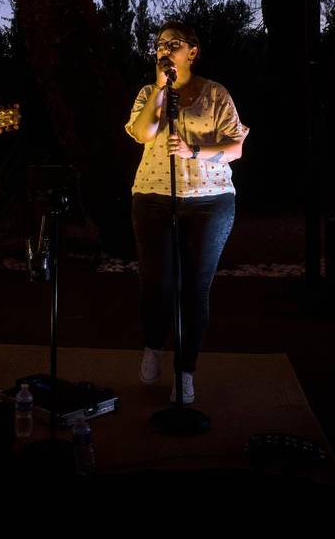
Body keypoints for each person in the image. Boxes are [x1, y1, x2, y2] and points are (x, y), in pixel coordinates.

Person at [124, 21, 249, 404]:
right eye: (159, 44)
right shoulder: (150, 92)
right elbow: (143, 133)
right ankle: (152, 346)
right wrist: (162, 89)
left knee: (195, 289)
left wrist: (195, 150)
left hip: (209, 200)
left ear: (192, 51)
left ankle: (186, 370)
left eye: (173, 44)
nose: (164, 50)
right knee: (156, 283)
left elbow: (235, 148)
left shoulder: (215, 94)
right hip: (153, 197)